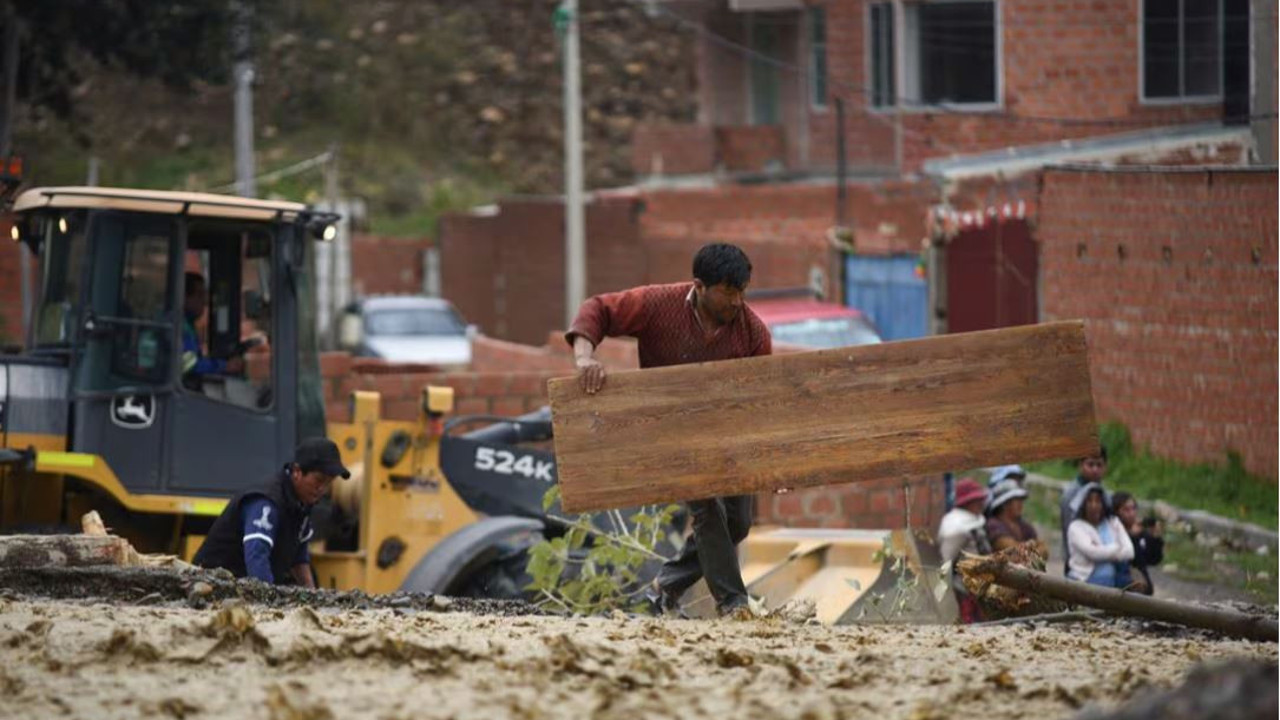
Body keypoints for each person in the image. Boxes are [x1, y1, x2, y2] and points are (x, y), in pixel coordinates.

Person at [565, 243, 771, 618]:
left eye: (742, 291)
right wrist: (584, 356)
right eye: (728, 292)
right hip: (674, 431)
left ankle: (666, 585)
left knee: (738, 524)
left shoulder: (752, 333)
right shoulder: (657, 304)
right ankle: (734, 604)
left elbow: (765, 401)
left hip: (728, 436)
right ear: (700, 286)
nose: (737, 301)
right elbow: (597, 309)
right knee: (708, 508)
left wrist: (775, 459)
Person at [194, 438, 350, 586]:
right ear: (297, 472)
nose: (323, 489)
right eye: (319, 480)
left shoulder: (302, 504)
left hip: (244, 586)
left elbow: (299, 559)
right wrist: (268, 603)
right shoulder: (266, 502)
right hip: (211, 586)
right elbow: (257, 556)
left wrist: (313, 597)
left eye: (329, 482)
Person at [937, 477, 993, 623]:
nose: (981, 504)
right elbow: (946, 560)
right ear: (968, 503)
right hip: (964, 588)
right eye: (977, 500)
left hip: (979, 587)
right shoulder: (956, 528)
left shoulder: (974, 523)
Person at [1066, 482, 1133, 587]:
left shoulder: (1113, 523)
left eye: (1098, 501)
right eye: (1089, 501)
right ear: (1083, 504)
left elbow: (1129, 551)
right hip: (1083, 581)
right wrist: (1117, 548)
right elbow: (1092, 552)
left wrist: (1103, 551)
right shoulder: (1076, 527)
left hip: (1113, 583)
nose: (1094, 505)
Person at [183, 272, 245, 379]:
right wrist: (225, 366)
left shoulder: (187, 324)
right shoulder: (179, 328)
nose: (204, 301)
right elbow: (188, 364)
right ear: (184, 297)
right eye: (199, 295)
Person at [1060, 445, 1108, 570]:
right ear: (1080, 465)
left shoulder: (1106, 495)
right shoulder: (1070, 495)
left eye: (1099, 465)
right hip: (1076, 561)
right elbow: (1069, 529)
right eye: (1090, 464)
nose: (1095, 469)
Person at [1111, 491, 1164, 595]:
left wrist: (1155, 538)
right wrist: (1132, 537)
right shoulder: (1112, 532)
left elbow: (1153, 560)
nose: (1132, 513)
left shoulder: (1140, 532)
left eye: (1133, 508)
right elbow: (1131, 559)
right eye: (1126, 510)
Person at [984, 478, 1045, 556]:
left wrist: (1034, 549)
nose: (1020, 504)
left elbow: (1043, 549)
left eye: (1021, 500)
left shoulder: (1024, 526)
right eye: (1016, 500)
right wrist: (1033, 548)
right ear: (1005, 504)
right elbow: (1011, 548)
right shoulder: (993, 525)